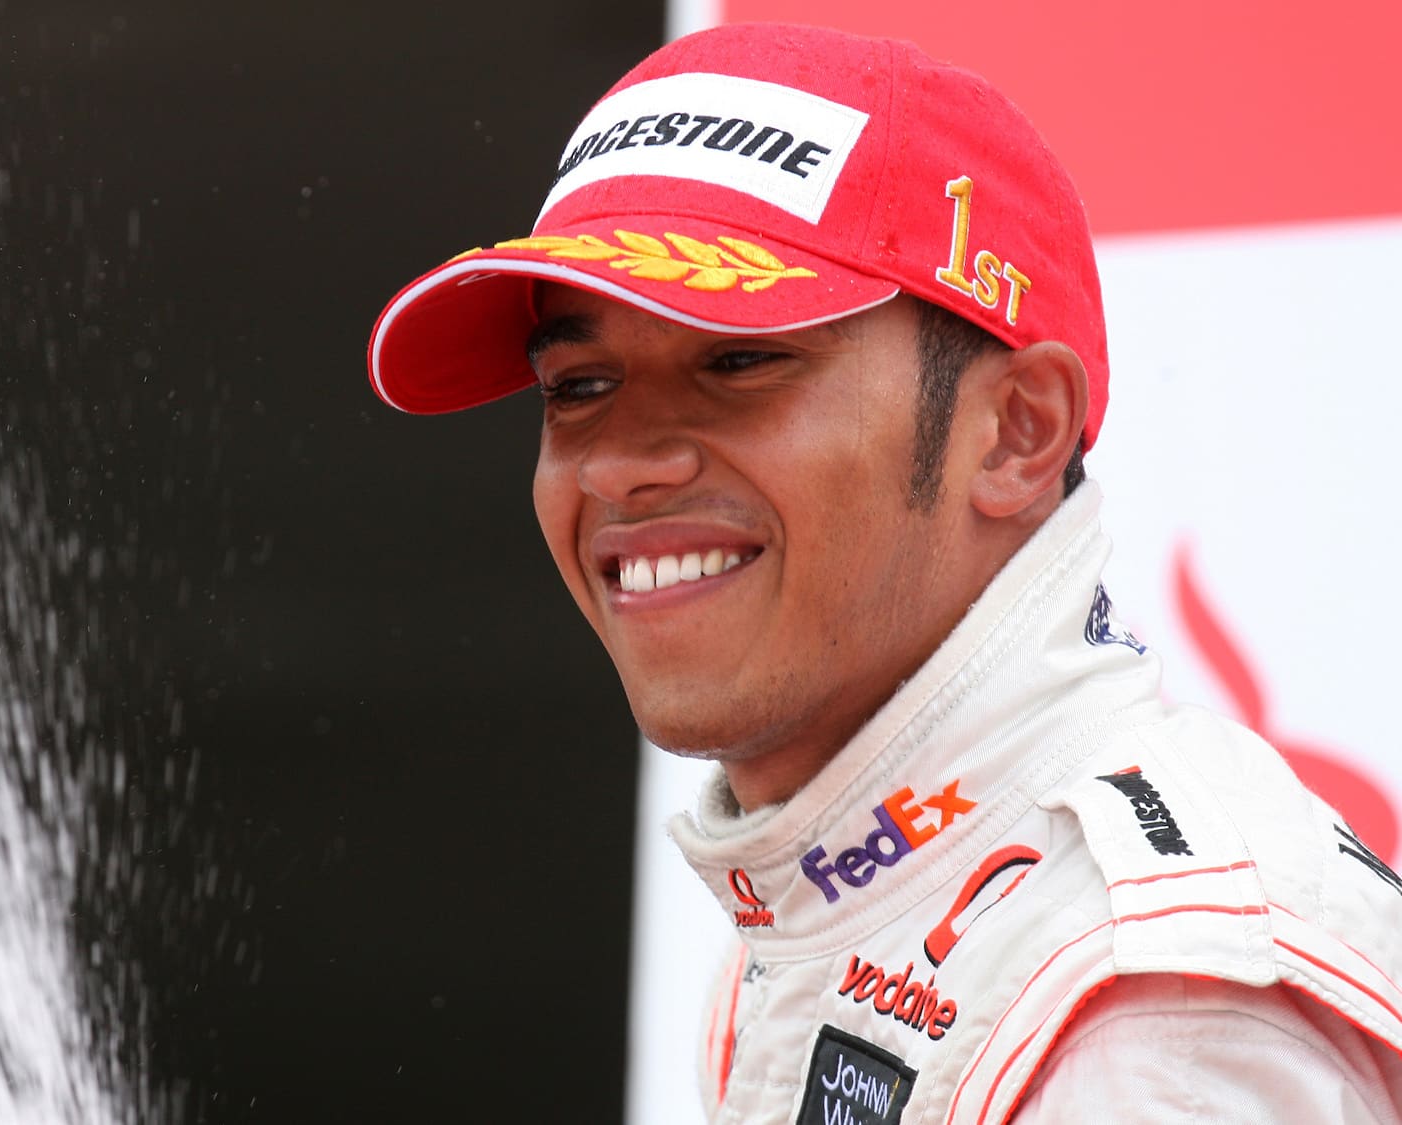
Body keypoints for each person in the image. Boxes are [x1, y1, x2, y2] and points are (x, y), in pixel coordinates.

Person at [365, 22, 1402, 1124]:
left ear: (1014, 431)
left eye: (738, 360)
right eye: (576, 386)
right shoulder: (823, 892)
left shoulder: (1152, 1019)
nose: (621, 463)